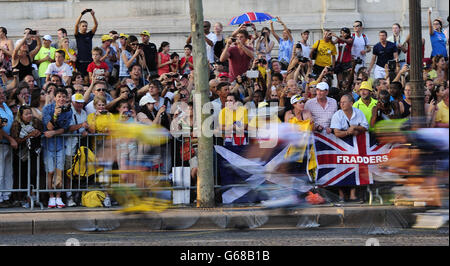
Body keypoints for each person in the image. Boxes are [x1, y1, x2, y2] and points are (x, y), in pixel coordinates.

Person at [330, 94, 369, 202]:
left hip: (355, 144)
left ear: (351, 103)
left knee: (355, 166)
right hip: (340, 145)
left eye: (344, 102)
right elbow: (336, 132)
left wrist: (355, 127)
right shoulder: (337, 115)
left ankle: (353, 194)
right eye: (340, 102)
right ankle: (341, 195)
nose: (341, 104)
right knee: (340, 168)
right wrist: (348, 132)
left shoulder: (358, 112)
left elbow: (365, 126)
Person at [42, 88, 72, 208]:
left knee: (59, 171)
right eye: (59, 96)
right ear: (55, 98)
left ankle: (58, 197)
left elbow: (64, 129)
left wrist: (54, 133)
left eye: (63, 97)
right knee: (50, 172)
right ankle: (51, 197)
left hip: (60, 144)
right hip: (48, 145)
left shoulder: (68, 111)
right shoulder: (47, 109)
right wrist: (55, 115)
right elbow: (48, 127)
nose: (61, 99)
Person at [10, 105, 43, 208]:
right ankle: (20, 198)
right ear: (21, 115)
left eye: (30, 113)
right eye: (26, 114)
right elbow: (16, 140)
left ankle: (32, 197)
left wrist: (38, 133)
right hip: (20, 155)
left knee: (33, 174)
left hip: (34, 153)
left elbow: (42, 131)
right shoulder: (16, 124)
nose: (29, 116)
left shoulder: (36, 122)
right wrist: (29, 136)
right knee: (21, 176)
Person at [64, 93, 89, 207]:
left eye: (81, 102)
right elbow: (67, 128)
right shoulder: (69, 112)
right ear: (72, 102)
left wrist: (85, 130)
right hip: (69, 146)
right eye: (77, 102)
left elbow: (84, 127)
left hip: (80, 146)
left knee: (79, 172)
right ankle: (68, 197)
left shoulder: (84, 112)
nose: (79, 104)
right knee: (69, 172)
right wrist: (81, 126)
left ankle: (77, 196)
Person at [0, 89, 18, 205]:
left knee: (8, 172)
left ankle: (7, 196)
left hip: (8, 145)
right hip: (2, 143)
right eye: (0, 94)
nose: (2, 95)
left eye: (3, 93)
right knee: (0, 172)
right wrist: (11, 139)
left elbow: (9, 123)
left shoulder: (5, 106)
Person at [74, 8, 98, 79]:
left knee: (89, 78)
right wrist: (81, 14)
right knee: (81, 78)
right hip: (80, 61)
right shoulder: (77, 35)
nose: (85, 27)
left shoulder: (89, 35)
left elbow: (96, 25)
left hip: (89, 60)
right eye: (83, 26)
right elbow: (75, 25)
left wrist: (93, 15)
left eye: (86, 26)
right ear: (80, 27)